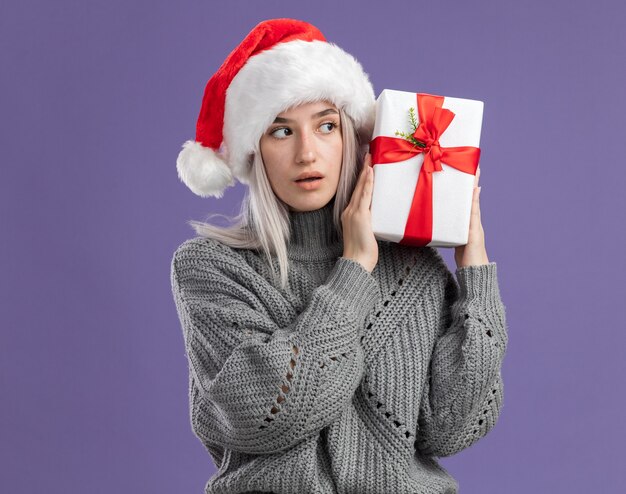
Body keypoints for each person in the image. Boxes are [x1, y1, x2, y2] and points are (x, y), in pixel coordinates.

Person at [170, 18, 508, 494]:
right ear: (254, 152)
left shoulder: (414, 268)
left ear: (352, 137)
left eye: (326, 125)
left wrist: (475, 270)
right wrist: (353, 272)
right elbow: (264, 417)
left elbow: (453, 428)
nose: (307, 153)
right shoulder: (211, 268)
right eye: (281, 131)